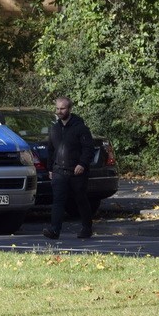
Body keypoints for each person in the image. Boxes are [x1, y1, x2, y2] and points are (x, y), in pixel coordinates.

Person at [43, 96, 94, 240]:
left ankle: (87, 228)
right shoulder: (54, 128)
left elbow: (88, 148)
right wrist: (50, 169)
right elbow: (51, 150)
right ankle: (54, 230)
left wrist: (82, 164)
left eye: (62, 108)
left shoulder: (80, 128)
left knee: (81, 199)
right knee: (58, 201)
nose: (59, 111)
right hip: (59, 171)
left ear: (69, 109)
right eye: (57, 109)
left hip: (77, 171)